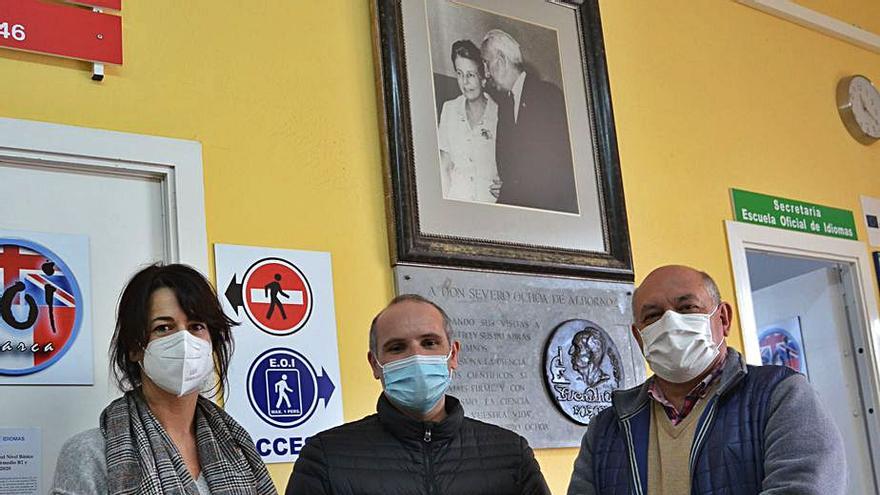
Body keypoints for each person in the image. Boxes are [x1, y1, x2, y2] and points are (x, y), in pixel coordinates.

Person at [567, 265, 846, 494]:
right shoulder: (607, 428)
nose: (670, 323)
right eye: (652, 316)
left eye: (687, 308)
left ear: (723, 318)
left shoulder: (780, 396)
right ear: (639, 338)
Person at [286, 294, 550, 495]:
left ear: (453, 354)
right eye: (397, 347)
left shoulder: (509, 452)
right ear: (375, 364)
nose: (416, 356)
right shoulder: (327, 456)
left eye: (429, 343)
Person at [51, 264, 277, 495]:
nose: (184, 341)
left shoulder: (237, 447)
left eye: (196, 326)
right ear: (134, 348)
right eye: (163, 327)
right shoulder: (90, 454)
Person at [481, 29, 577, 214]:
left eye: (486, 63)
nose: (485, 74)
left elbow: (553, 169)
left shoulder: (548, 96)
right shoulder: (505, 106)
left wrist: (511, 189)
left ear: (501, 60)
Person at [438, 39, 500, 203]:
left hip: (490, 206)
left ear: (483, 77)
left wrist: (508, 187)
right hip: (456, 203)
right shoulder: (449, 110)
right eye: (459, 73)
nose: (465, 82)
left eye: (471, 75)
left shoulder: (500, 115)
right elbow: (444, 167)